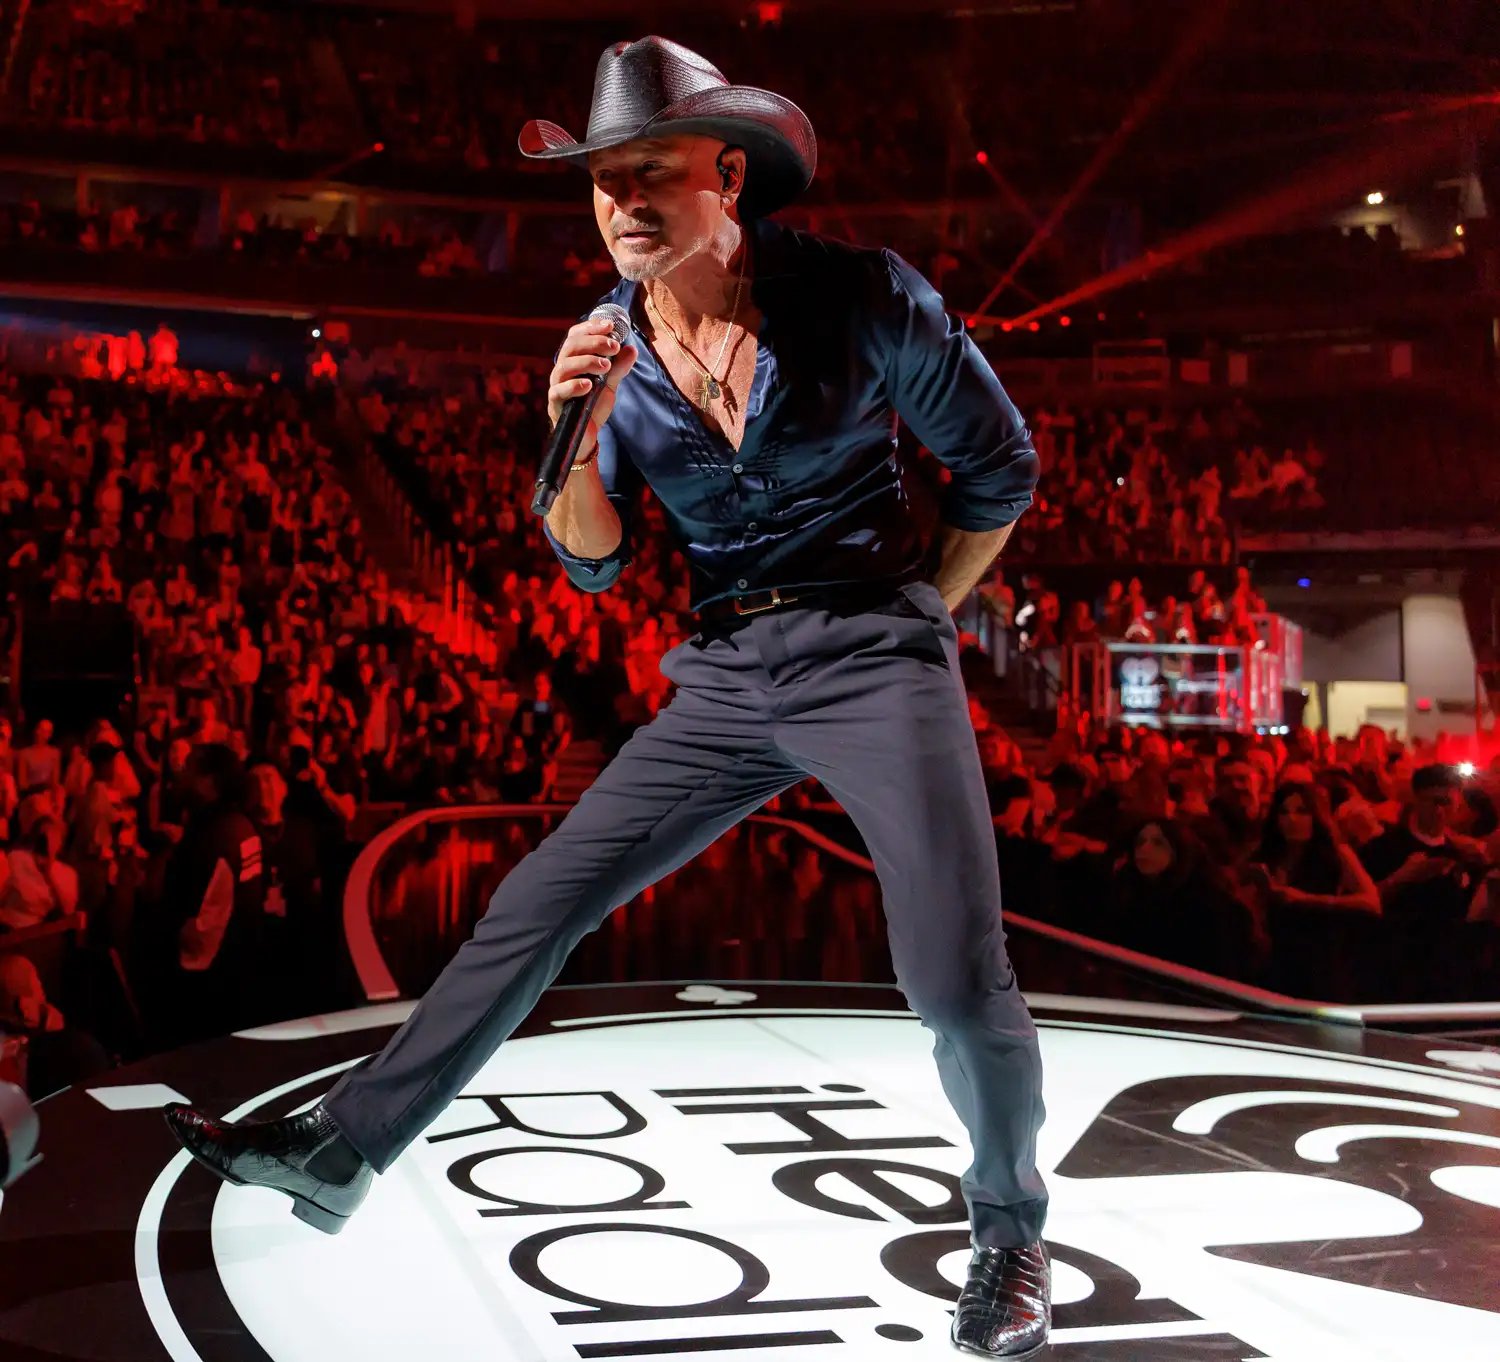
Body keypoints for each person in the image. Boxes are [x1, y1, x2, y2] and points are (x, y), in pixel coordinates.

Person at [163, 37, 1050, 1358]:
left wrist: (924, 602)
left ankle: (1009, 1232)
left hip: (876, 653)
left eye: (652, 172)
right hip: (724, 671)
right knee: (534, 900)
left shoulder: (865, 298)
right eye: (603, 183)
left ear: (728, 177)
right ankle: (345, 1150)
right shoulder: (603, 354)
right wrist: (567, 425)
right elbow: (588, 561)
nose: (624, 203)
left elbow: (1000, 466)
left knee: (952, 977)